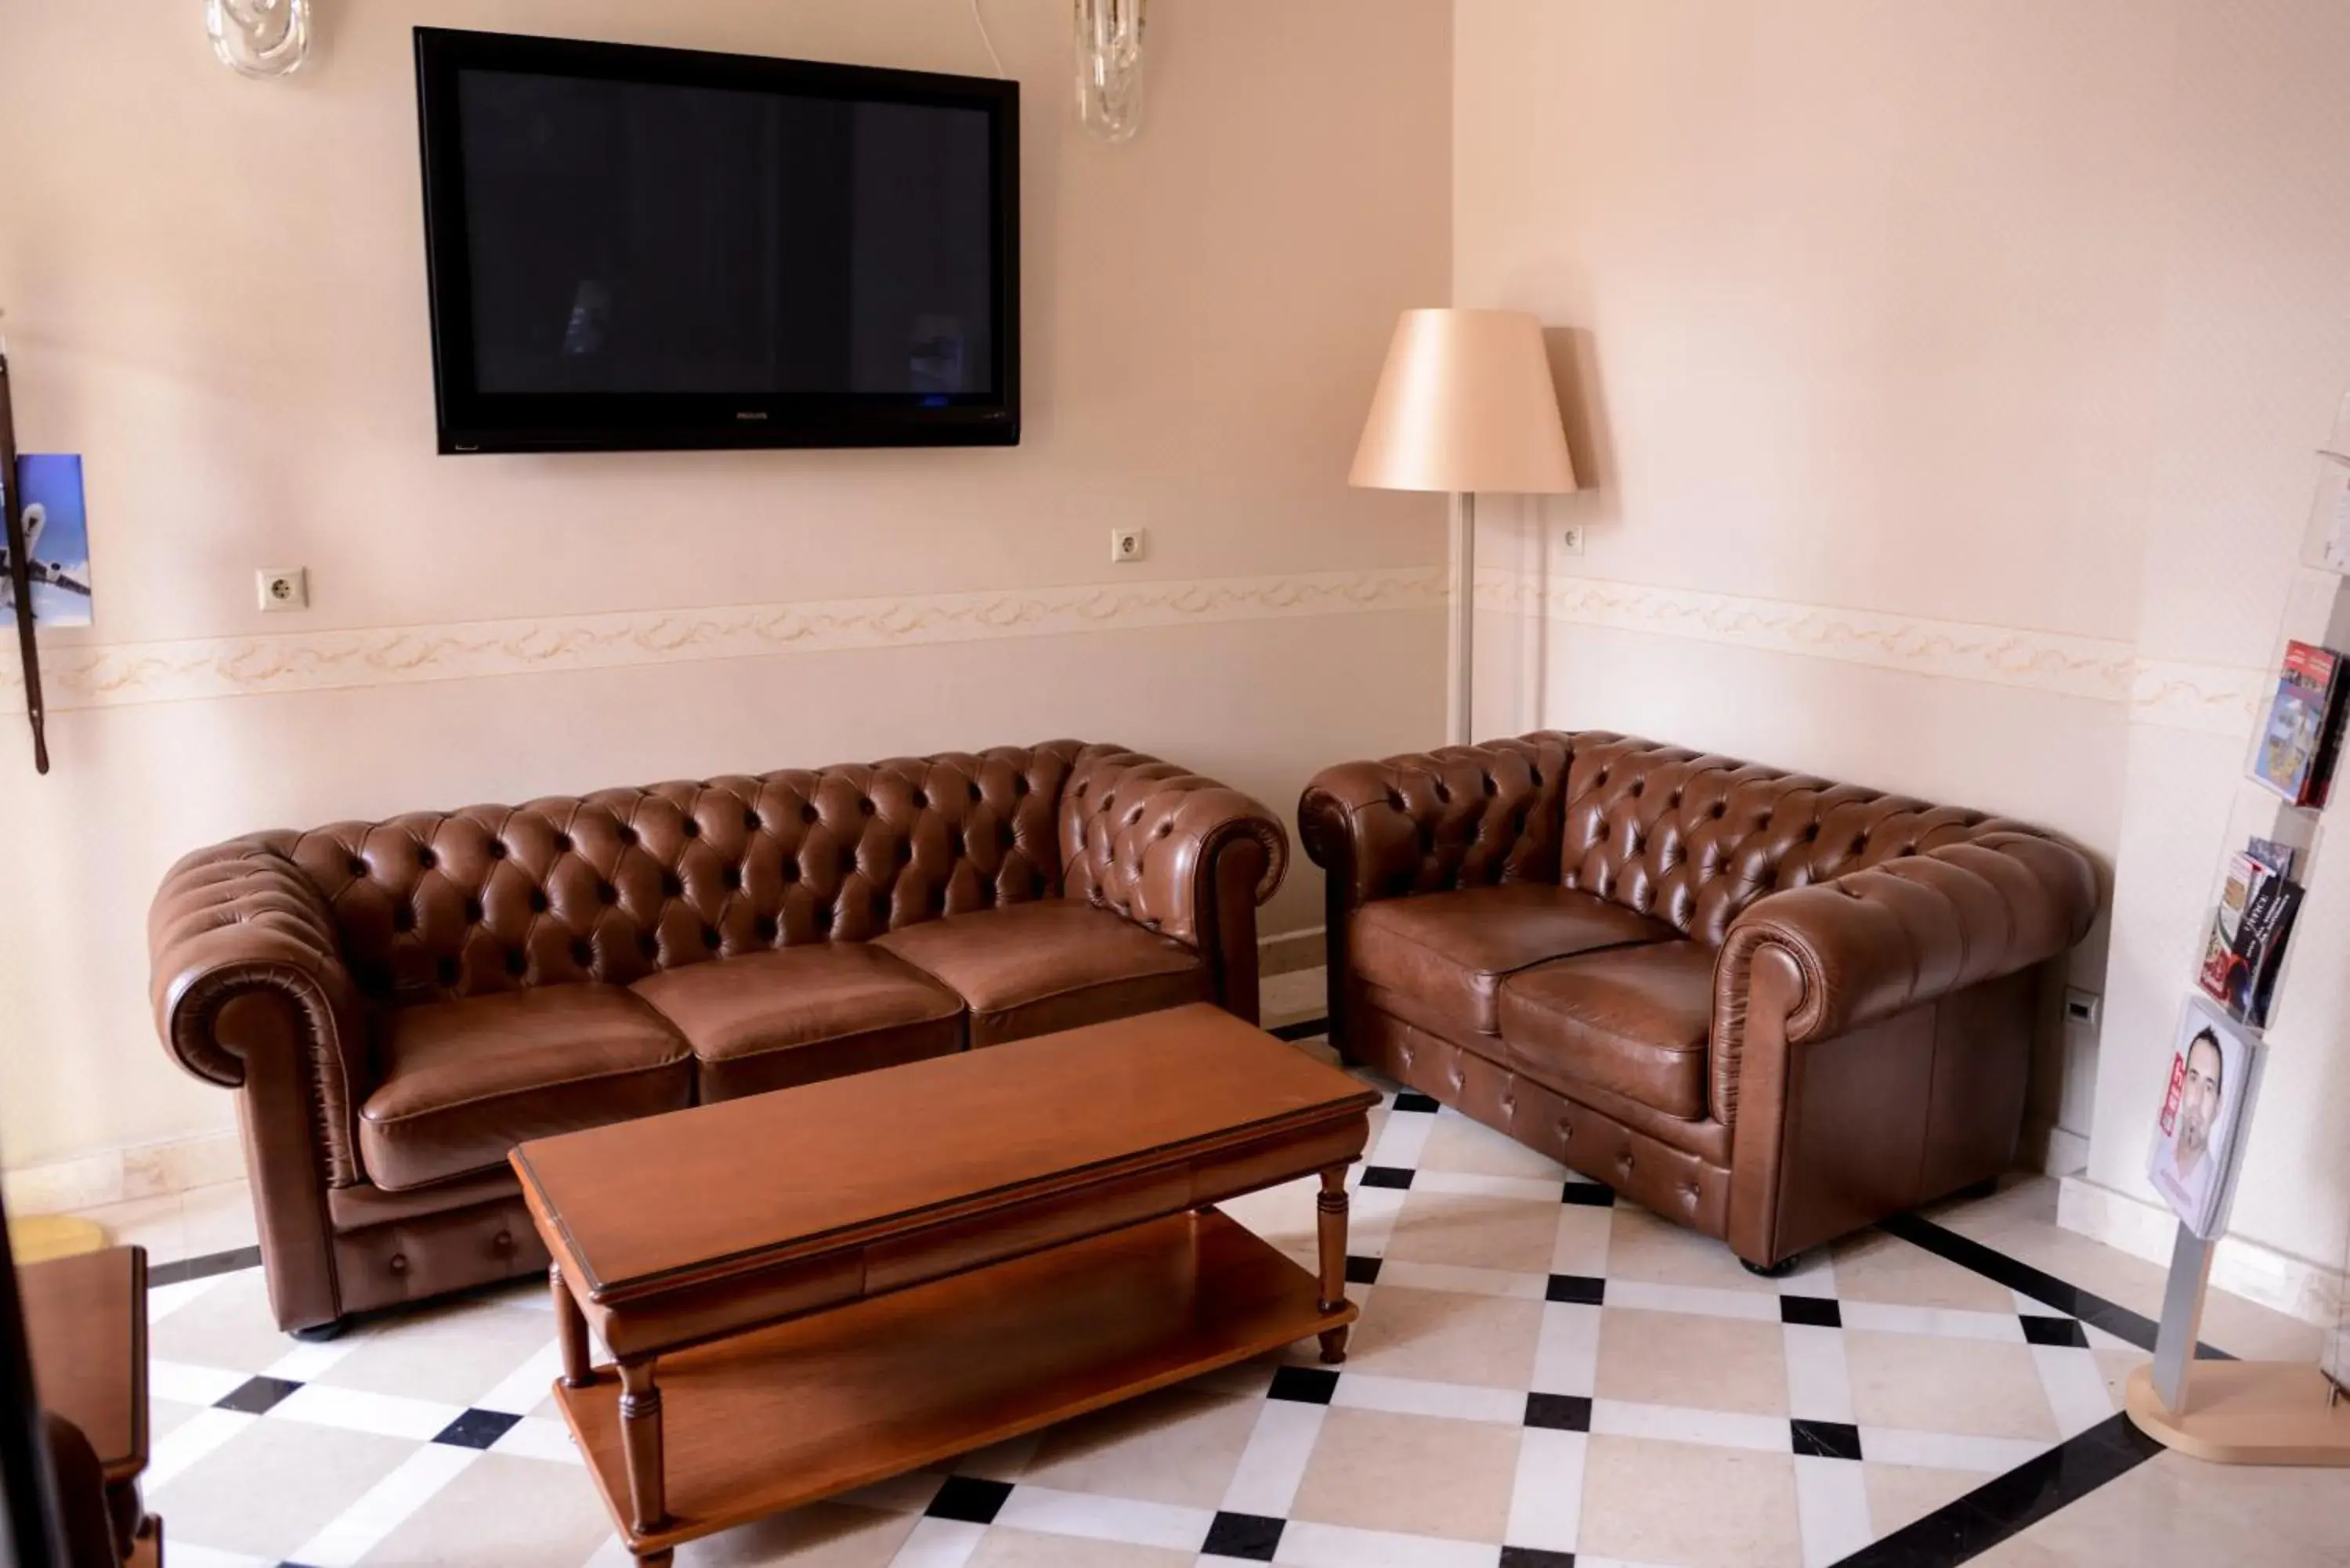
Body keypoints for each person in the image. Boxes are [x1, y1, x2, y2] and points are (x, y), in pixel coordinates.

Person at [2153, 1028, 2226, 1228]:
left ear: (2218, 1107)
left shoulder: (2213, 1189)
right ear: (2182, 1083)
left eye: (2209, 1087)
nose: (2198, 1098)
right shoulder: (2159, 1157)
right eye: (2193, 1078)